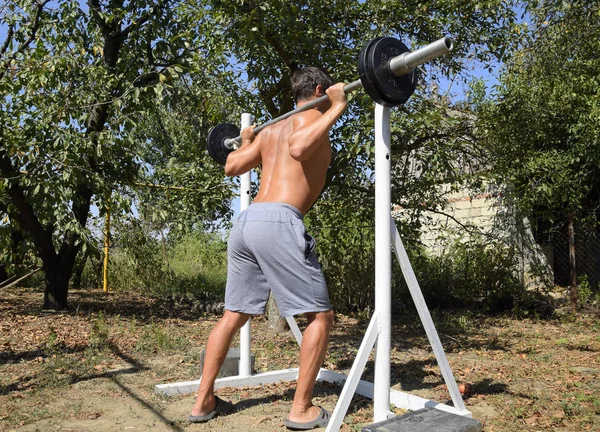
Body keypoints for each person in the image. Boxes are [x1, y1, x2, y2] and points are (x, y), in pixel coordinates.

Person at [189, 67, 347, 430]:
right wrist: (337, 107)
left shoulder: (271, 128)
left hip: (248, 222)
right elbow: (300, 147)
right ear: (321, 89)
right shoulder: (311, 122)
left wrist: (246, 141)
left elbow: (232, 165)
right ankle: (301, 409)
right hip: (279, 221)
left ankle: (203, 402)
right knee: (320, 318)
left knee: (234, 314)